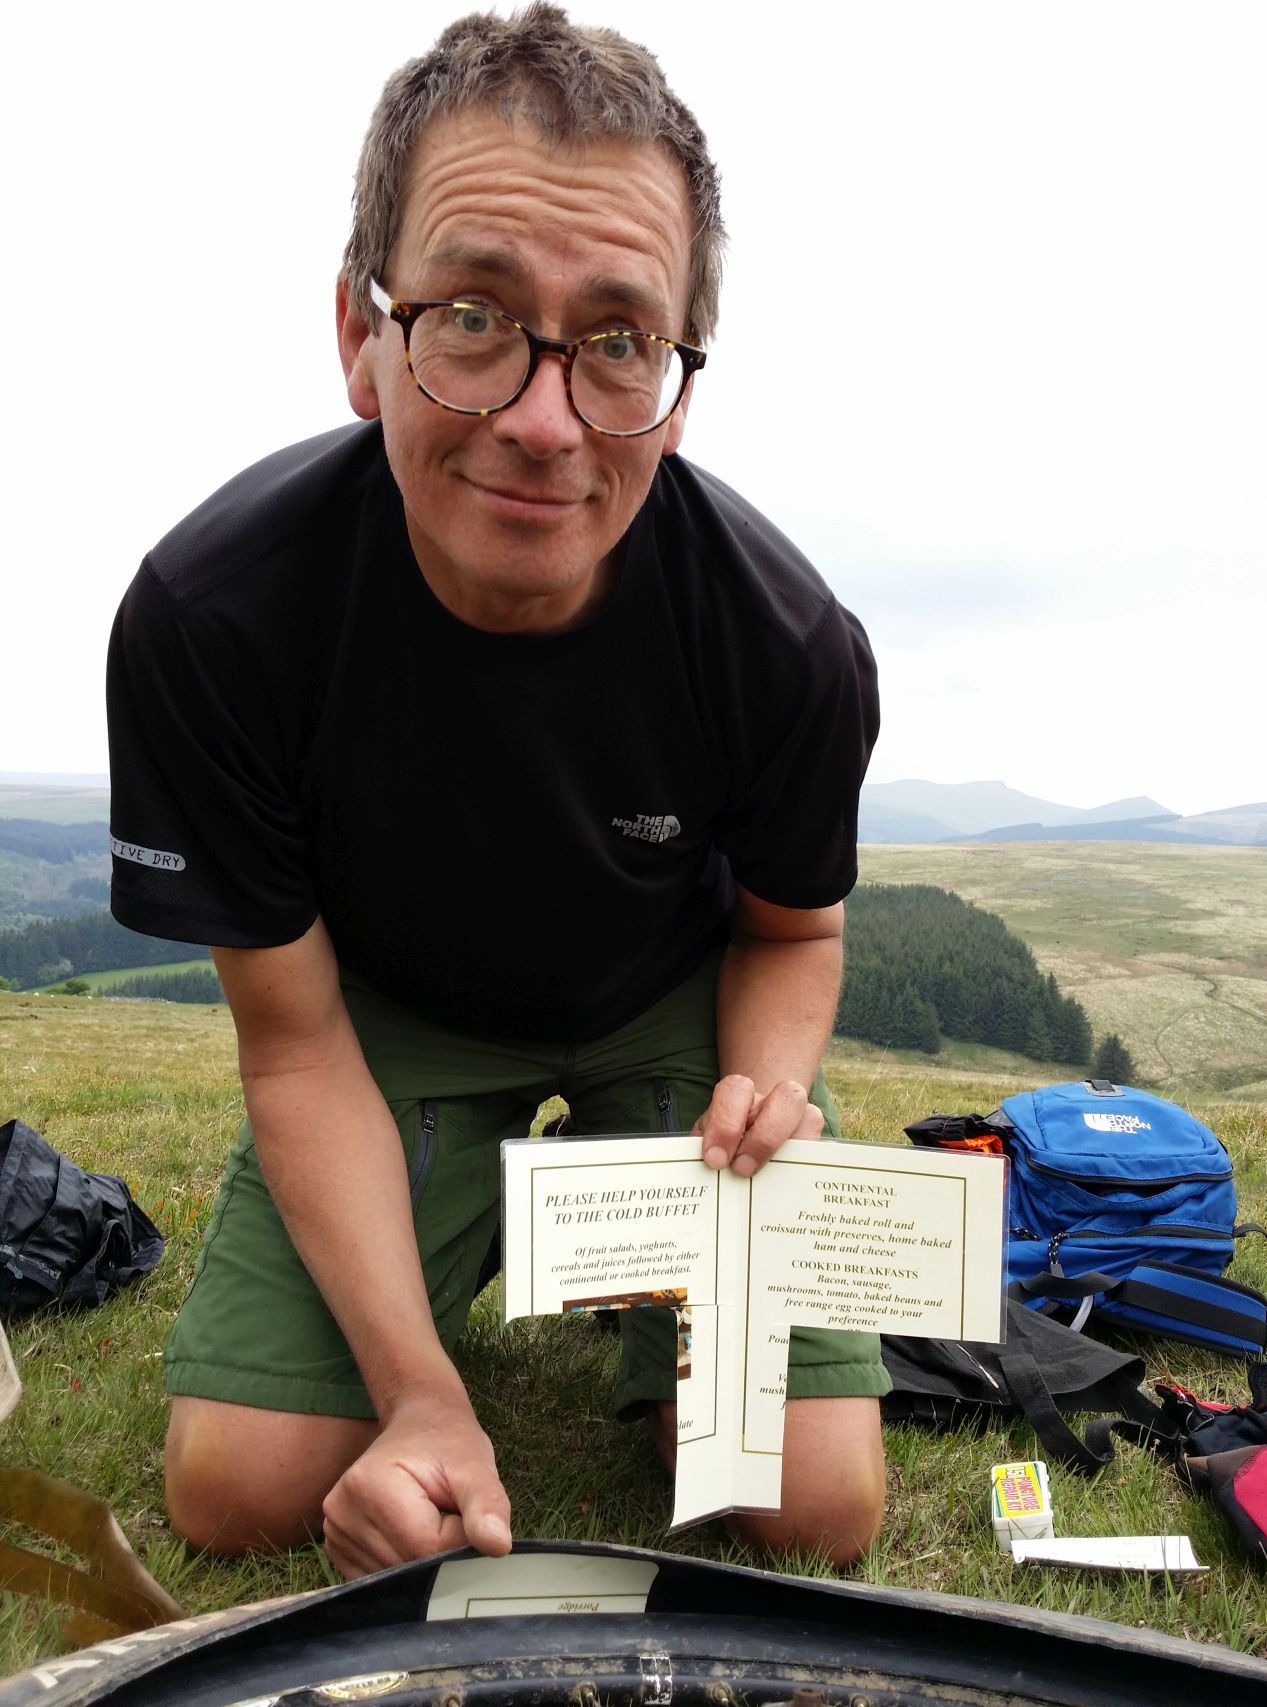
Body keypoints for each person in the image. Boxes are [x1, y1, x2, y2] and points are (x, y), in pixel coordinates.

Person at [107, 2, 888, 1579]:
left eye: (616, 341)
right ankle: (451, 1296)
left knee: (808, 1506)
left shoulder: (787, 642)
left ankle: (649, 1316)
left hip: (661, 1000)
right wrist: (420, 1397)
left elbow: (793, 937)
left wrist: (766, 1089)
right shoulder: (213, 619)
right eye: (473, 313)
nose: (545, 422)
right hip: (385, 1018)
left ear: (675, 384)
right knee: (241, 1488)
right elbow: (294, 1032)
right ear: (360, 338)